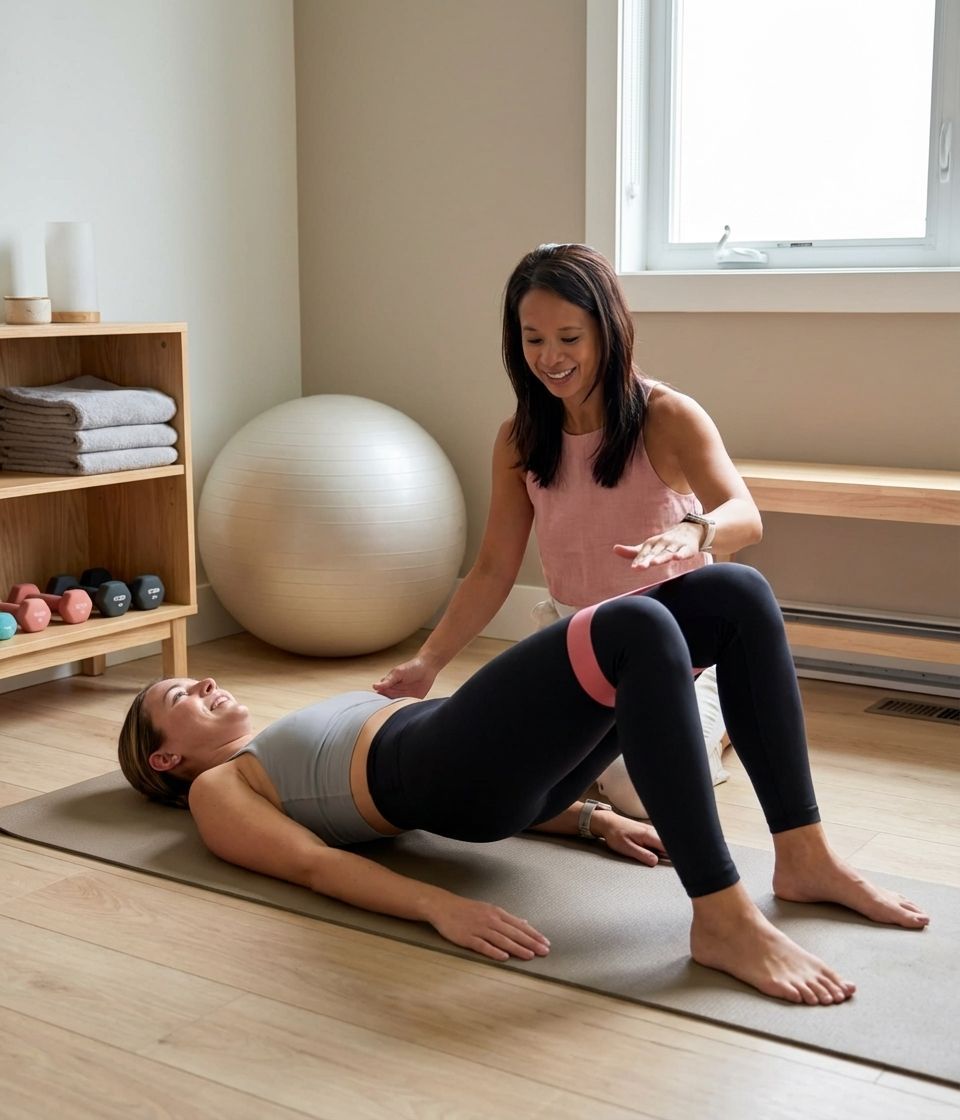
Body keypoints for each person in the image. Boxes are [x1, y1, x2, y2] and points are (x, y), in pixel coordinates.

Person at [118, 564, 929, 1006]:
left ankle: (805, 852)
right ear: (165, 759)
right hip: (441, 767)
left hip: (489, 771)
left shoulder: (267, 743)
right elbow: (314, 866)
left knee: (735, 594)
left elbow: (494, 765)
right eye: (177, 698)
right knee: (636, 627)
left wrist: (586, 821)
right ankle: (722, 918)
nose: (204, 683)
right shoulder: (214, 791)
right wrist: (441, 907)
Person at [373, 242, 762, 806]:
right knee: (508, 776)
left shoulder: (668, 415)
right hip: (572, 643)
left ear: (608, 330)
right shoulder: (518, 438)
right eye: (534, 340)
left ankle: (715, 714)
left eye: (570, 338)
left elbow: (745, 515)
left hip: (672, 650)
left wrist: (692, 530)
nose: (551, 357)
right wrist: (428, 661)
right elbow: (491, 568)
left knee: (638, 792)